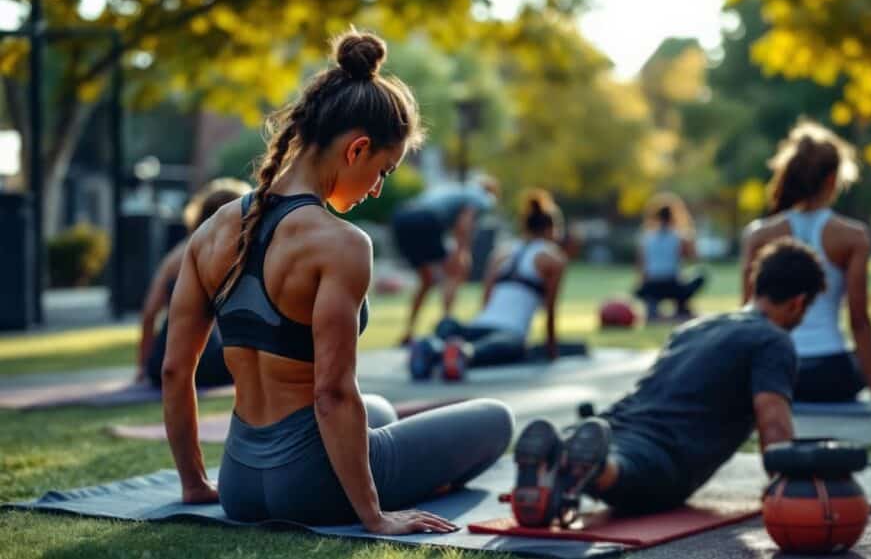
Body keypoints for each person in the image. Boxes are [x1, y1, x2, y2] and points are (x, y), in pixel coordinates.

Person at [161, 30, 513, 534]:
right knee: (494, 418)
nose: (375, 189)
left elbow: (176, 372)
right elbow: (330, 393)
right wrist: (374, 516)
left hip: (240, 483)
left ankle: (284, 472)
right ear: (358, 149)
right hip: (311, 486)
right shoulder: (342, 244)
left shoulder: (209, 232)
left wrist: (195, 484)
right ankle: (364, 487)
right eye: (383, 172)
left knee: (381, 409)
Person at [511, 239, 824, 518]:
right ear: (798, 302)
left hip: (615, 423)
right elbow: (775, 425)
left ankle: (561, 455)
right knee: (629, 469)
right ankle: (595, 469)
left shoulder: (696, 327)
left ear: (757, 284)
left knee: (611, 449)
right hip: (666, 454)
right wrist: (791, 492)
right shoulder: (773, 340)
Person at [740, 121, 871, 413]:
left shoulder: (757, 234)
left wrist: (749, 384)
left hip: (777, 375)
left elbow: (747, 315)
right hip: (829, 375)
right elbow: (859, 320)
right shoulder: (853, 236)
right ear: (832, 179)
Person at [408, 189, 568, 379]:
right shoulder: (554, 259)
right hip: (510, 332)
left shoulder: (502, 252)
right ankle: (465, 353)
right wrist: (552, 351)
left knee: (449, 325)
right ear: (551, 228)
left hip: (480, 324)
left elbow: (486, 300)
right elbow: (550, 310)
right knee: (514, 346)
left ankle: (433, 348)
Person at [136, 178, 251, 388]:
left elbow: (149, 314)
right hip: (211, 364)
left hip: (162, 364)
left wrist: (142, 368)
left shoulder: (176, 255)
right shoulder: (236, 255)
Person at [391, 174, 501, 345]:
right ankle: (445, 326)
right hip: (425, 220)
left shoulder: (453, 188)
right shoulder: (481, 197)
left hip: (401, 218)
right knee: (455, 272)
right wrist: (462, 252)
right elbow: (465, 221)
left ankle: (409, 331)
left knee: (426, 280)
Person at [634, 192, 706, 322]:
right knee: (700, 275)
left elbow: (640, 266)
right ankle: (680, 307)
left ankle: (653, 307)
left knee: (647, 289)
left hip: (652, 285)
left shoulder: (646, 237)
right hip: (672, 284)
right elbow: (694, 257)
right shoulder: (680, 237)